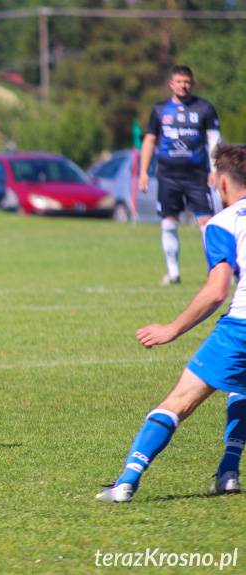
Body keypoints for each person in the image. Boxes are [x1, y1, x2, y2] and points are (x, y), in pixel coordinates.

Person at [96, 142, 246, 503]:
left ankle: (125, 483)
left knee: (178, 401)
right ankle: (228, 473)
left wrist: (172, 328)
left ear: (222, 183)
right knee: (240, 387)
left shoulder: (224, 222)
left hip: (240, 328)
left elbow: (216, 291)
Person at [139, 65, 221, 286]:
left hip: (196, 175)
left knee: (206, 222)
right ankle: (173, 273)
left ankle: (215, 270)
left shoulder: (204, 108)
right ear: (171, 84)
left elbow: (214, 138)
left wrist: (215, 168)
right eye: (179, 81)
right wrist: (143, 172)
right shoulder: (159, 110)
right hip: (167, 175)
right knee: (168, 222)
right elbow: (149, 140)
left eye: (187, 82)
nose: (183, 85)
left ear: (192, 84)